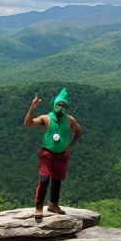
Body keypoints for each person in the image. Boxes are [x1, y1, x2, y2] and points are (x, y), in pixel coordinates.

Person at [23, 87, 83, 218]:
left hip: (61, 155)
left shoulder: (69, 120)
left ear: (66, 107)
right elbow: (28, 124)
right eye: (58, 104)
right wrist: (32, 107)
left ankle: (53, 205)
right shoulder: (46, 118)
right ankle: (39, 207)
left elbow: (79, 131)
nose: (60, 107)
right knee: (44, 179)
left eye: (63, 105)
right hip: (47, 154)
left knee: (57, 180)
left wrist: (70, 146)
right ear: (54, 104)